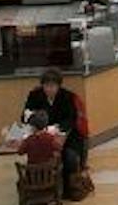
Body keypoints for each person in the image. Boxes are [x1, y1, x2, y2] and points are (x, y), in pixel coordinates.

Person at [22, 69, 88, 197]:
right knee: (38, 154)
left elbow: (71, 119)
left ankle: (69, 189)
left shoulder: (67, 97)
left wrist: (56, 128)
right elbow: (25, 114)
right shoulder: (35, 95)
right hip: (42, 134)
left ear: (58, 85)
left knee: (69, 157)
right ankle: (40, 189)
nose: (49, 89)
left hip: (67, 135)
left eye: (52, 86)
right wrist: (32, 118)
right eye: (46, 86)